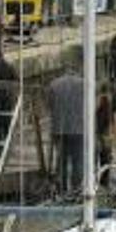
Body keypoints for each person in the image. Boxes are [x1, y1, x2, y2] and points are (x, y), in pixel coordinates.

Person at [48, 57, 84, 193]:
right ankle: (76, 189)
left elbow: (50, 106)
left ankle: (61, 189)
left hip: (59, 129)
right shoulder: (84, 84)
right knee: (77, 161)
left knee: (61, 160)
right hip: (78, 129)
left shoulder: (53, 84)